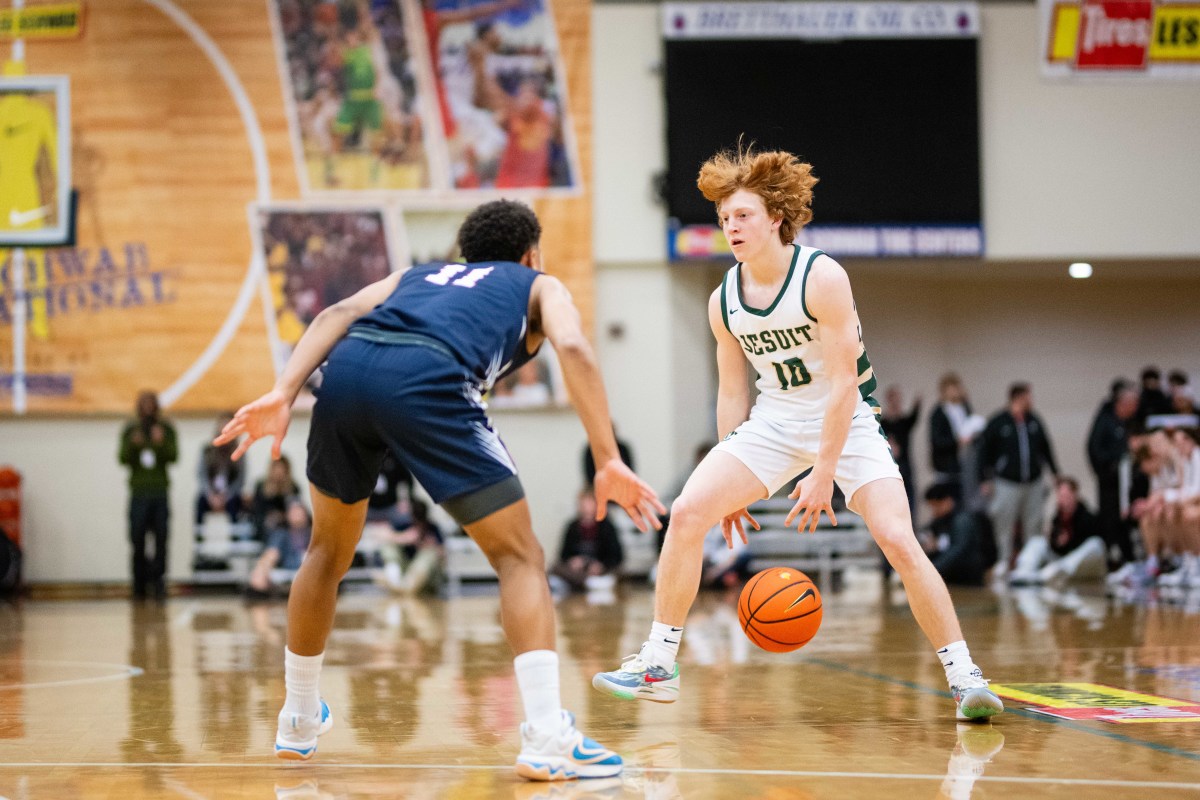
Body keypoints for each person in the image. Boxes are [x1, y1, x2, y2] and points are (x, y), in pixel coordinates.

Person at [214, 200, 664, 780]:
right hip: (428, 381)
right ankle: (548, 734)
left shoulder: (418, 276)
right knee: (520, 557)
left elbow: (337, 311)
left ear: (465, 253)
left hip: (346, 377)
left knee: (325, 553)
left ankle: (298, 718)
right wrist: (607, 457)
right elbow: (574, 347)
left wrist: (282, 391)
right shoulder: (538, 283)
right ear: (530, 252)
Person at [592, 147, 1003, 723]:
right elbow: (732, 392)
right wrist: (728, 469)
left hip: (848, 422)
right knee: (687, 513)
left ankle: (965, 678)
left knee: (898, 539)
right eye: (725, 218)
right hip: (774, 423)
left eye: (743, 216)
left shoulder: (822, 275)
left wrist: (825, 473)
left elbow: (842, 386)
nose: (730, 227)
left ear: (776, 220)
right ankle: (658, 664)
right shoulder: (723, 300)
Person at [978, 383, 1058, 578]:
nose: (1031, 401)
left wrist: (1055, 473)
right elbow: (984, 451)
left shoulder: (1034, 420)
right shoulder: (998, 421)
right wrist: (984, 479)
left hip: (1033, 481)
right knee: (1004, 522)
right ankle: (1004, 561)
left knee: (1034, 523)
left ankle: (1031, 562)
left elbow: (1046, 448)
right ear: (1018, 398)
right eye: (1028, 397)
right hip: (1007, 482)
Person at [118, 390, 178, 600]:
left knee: (161, 540)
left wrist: (160, 442)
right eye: (144, 405)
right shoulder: (130, 429)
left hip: (159, 493)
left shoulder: (166, 428)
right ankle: (139, 586)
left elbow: (174, 456)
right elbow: (122, 459)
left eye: (151, 404)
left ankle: (159, 583)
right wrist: (132, 445)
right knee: (137, 540)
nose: (148, 409)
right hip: (139, 493)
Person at [1008, 477, 1106, 586]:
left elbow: (1092, 542)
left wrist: (1070, 540)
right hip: (1060, 560)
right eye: (1061, 496)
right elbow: (1055, 547)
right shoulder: (1057, 518)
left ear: (1075, 495)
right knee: (1037, 541)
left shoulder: (1087, 516)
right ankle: (1024, 571)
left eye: (1066, 496)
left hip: (1080, 565)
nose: (1063, 500)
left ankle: (1047, 574)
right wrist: (1057, 542)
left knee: (1096, 544)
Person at [1087, 382, 1138, 568]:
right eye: (1134, 402)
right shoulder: (1105, 420)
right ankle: (1115, 560)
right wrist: (1110, 468)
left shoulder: (1130, 422)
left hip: (1130, 484)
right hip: (1110, 484)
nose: (1136, 406)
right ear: (1123, 402)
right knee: (1111, 521)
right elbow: (1094, 450)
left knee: (1127, 521)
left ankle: (1130, 560)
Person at [928, 373, 985, 510]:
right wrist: (956, 441)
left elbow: (972, 425)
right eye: (951, 388)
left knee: (964, 502)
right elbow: (937, 441)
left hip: (964, 464)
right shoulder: (938, 412)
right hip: (946, 466)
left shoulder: (964, 408)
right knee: (947, 504)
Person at [550, 490, 624, 593]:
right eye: (583, 503)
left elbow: (616, 556)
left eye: (589, 503)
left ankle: (585, 583)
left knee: (615, 572)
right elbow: (563, 555)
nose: (586, 507)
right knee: (556, 567)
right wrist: (573, 561)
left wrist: (601, 565)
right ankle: (587, 583)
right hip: (577, 571)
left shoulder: (607, 527)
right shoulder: (572, 527)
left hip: (600, 568)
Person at [920, 482, 989, 587]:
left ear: (947, 501)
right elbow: (926, 535)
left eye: (936, 506)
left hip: (966, 578)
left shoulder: (962, 520)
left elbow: (958, 550)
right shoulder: (939, 521)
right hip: (949, 575)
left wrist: (932, 569)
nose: (934, 511)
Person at [248, 499, 314, 596]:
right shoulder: (281, 534)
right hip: (287, 573)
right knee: (259, 574)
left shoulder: (314, 534)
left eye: (299, 511)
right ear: (287, 515)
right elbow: (271, 554)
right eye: (293, 512)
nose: (297, 515)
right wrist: (263, 568)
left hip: (310, 573)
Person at [196, 413, 246, 525]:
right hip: (211, 493)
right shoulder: (207, 450)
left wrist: (226, 496)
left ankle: (235, 538)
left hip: (230, 494)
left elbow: (240, 480)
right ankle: (199, 538)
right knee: (200, 501)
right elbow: (201, 475)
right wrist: (211, 496)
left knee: (237, 503)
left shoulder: (239, 452)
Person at [881, 384, 921, 517]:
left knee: (909, 502)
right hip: (888, 469)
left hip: (905, 468)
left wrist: (917, 404)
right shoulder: (882, 423)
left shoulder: (904, 422)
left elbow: (913, 418)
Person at [248, 455, 303, 542]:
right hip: (265, 526)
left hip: (286, 526)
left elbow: (295, 512)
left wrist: (281, 516)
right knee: (276, 533)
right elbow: (257, 510)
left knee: (284, 533)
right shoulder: (261, 486)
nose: (279, 472)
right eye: (277, 468)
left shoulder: (293, 488)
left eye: (282, 468)